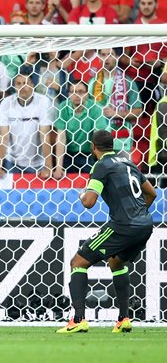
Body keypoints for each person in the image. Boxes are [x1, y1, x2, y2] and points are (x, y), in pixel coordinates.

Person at [57, 130, 157, 334]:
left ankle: (78, 320)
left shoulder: (101, 165)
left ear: (94, 147)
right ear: (112, 144)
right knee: (116, 262)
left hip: (124, 225)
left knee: (78, 262)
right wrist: (138, 215)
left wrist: (82, 195)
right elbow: (152, 193)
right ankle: (123, 319)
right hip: (145, 225)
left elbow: (89, 202)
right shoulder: (128, 162)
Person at [0, 69, 53, 178]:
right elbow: (3, 137)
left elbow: (45, 137)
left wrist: (48, 167)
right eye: (18, 84)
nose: (22, 87)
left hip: (37, 163)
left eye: (25, 83)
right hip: (12, 161)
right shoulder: (6, 103)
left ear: (32, 85)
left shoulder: (43, 101)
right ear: (14, 86)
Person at [53, 80, 109, 176]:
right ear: (69, 94)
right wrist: (58, 168)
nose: (76, 95)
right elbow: (61, 138)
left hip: (89, 155)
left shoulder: (95, 108)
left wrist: (100, 165)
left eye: (81, 92)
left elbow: (98, 137)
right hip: (68, 155)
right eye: (73, 92)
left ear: (87, 94)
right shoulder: (63, 107)